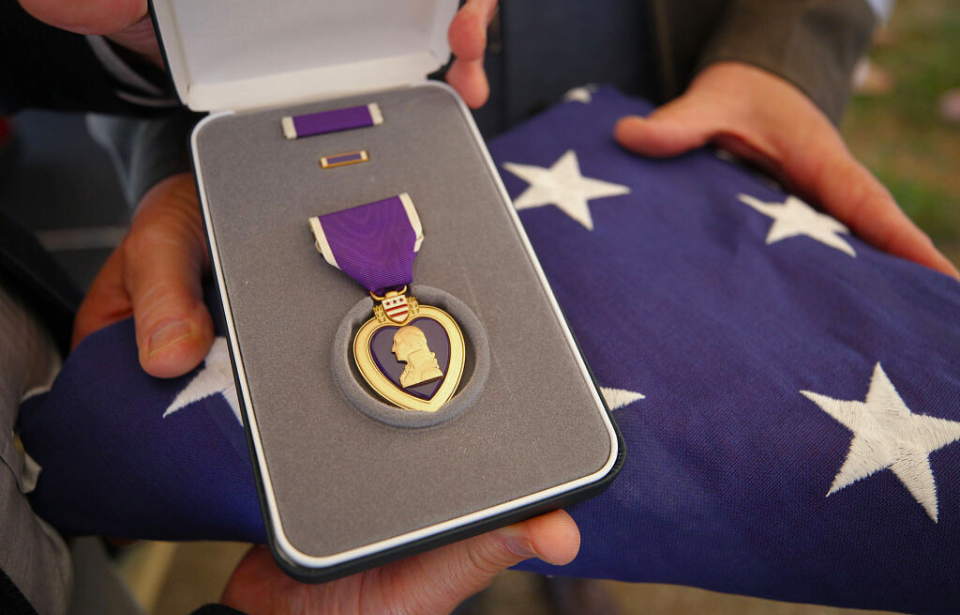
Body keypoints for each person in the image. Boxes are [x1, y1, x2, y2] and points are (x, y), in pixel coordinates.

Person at [2, 1, 957, 614]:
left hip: (650, 119)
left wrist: (781, 59)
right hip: (307, 158)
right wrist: (210, 147)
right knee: (417, 509)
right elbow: (122, 33)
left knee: (586, 464)